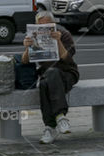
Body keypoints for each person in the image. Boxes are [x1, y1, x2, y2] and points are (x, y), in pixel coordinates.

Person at [21, 11, 79, 144]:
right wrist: (27, 48)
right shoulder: (32, 36)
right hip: (47, 75)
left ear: (53, 24)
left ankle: (54, 123)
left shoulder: (64, 34)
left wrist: (58, 41)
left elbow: (68, 59)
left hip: (66, 73)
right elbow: (25, 61)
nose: (44, 28)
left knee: (51, 75)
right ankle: (53, 123)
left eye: (47, 25)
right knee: (44, 83)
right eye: (40, 26)